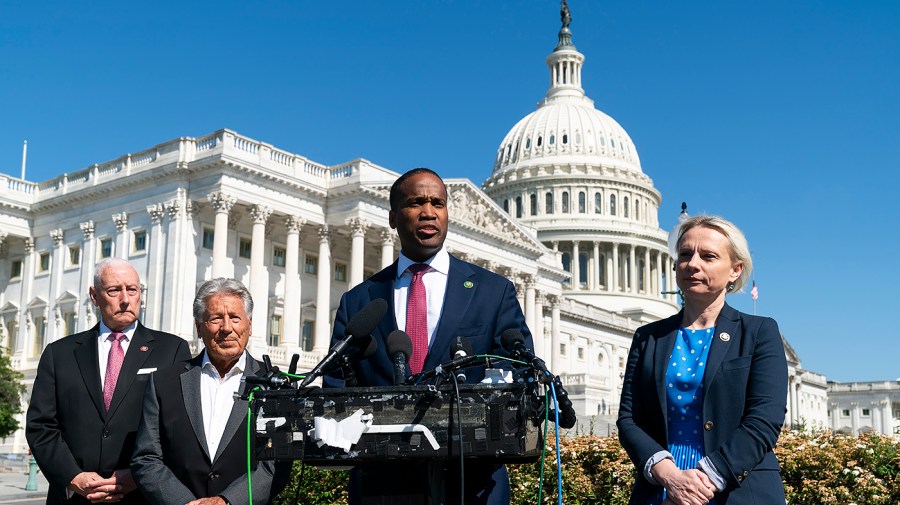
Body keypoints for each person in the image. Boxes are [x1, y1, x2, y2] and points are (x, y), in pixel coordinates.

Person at [324, 167, 534, 505]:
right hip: (383, 485)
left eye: (438, 202)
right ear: (393, 217)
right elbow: (336, 387)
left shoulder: (493, 292)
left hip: (473, 483)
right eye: (416, 202)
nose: (428, 211)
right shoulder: (359, 301)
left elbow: (518, 374)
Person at [617, 215, 788, 505]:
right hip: (662, 487)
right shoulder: (648, 337)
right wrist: (670, 477)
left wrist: (701, 482)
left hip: (737, 489)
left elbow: (764, 420)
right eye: (685, 254)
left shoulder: (759, 332)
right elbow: (630, 419)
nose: (692, 264)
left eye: (708, 256)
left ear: (735, 270)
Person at [26, 258, 191, 504]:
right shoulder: (59, 353)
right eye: (114, 290)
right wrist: (73, 477)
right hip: (74, 497)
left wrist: (138, 476)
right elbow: (41, 425)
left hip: (141, 495)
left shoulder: (172, 350)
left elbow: (179, 429)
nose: (125, 299)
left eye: (132, 290)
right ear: (94, 296)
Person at [131, 278, 287, 505]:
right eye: (215, 318)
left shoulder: (274, 385)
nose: (226, 328)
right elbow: (146, 458)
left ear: (249, 326)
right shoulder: (164, 381)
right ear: (199, 327)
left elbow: (276, 464)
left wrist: (226, 501)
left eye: (235, 318)